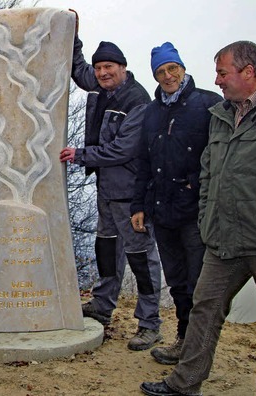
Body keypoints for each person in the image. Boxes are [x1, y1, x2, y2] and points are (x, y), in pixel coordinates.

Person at [140, 41, 256, 396]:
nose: (217, 80)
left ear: (249, 72)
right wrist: (209, 215)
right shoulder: (222, 114)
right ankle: (184, 383)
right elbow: (209, 169)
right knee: (205, 307)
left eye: (223, 72)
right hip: (224, 235)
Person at [60, 11, 163, 352]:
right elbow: (77, 70)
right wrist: (73, 34)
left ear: (123, 68)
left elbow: (123, 148)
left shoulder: (137, 100)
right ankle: (103, 306)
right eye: (100, 68)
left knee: (140, 257)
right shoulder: (102, 86)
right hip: (106, 189)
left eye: (109, 68)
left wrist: (80, 155)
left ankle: (149, 324)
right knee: (106, 249)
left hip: (131, 195)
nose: (103, 73)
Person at [130, 42, 222, 365]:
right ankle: (185, 340)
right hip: (161, 211)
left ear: (182, 68)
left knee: (199, 284)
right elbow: (142, 160)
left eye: (172, 68)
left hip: (195, 212)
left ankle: (197, 350)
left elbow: (221, 157)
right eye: (160, 71)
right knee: (178, 282)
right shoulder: (152, 111)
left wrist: (203, 190)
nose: (167, 75)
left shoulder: (208, 104)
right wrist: (137, 205)